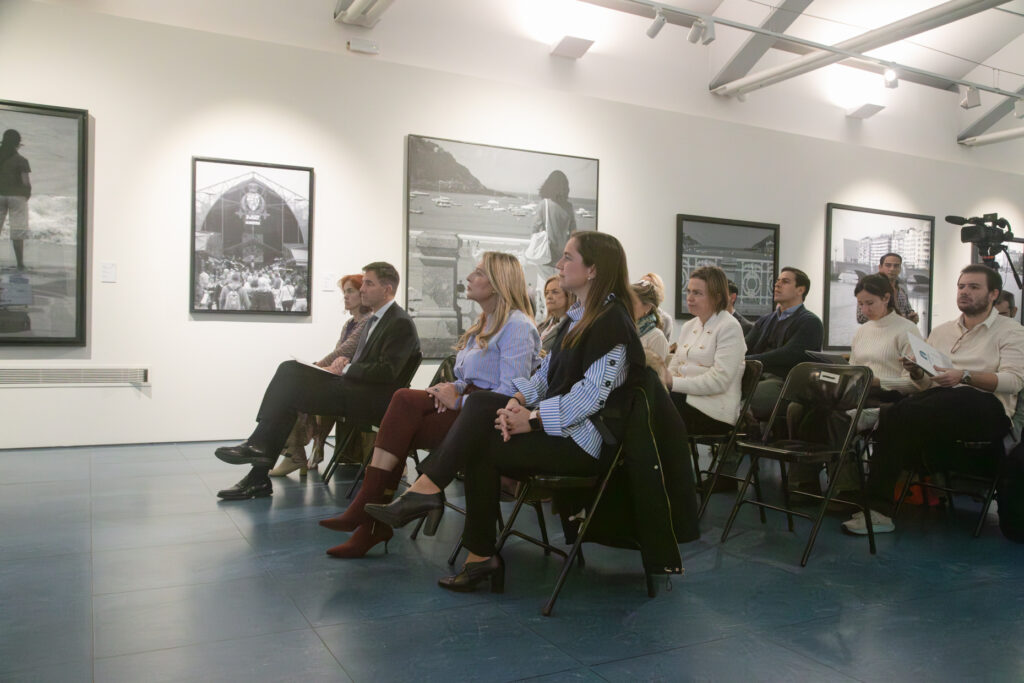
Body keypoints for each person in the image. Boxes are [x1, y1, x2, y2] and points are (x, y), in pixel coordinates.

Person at [365, 232, 645, 593]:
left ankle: (437, 503)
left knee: (480, 426)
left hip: (585, 443)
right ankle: (472, 547)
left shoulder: (613, 323)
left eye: (567, 257)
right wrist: (517, 399)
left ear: (592, 270)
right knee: (483, 422)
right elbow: (545, 376)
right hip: (560, 432)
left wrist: (532, 419)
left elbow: (589, 397)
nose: (559, 264)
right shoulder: (577, 319)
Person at [317, 252, 540, 557]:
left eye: (477, 273)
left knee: (401, 427)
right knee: (403, 398)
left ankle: (368, 518)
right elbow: (467, 377)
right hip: (466, 404)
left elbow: (510, 393)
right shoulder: (484, 323)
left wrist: (459, 400)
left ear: (497, 282)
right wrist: (447, 388)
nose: (468, 278)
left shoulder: (518, 326)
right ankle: (370, 514)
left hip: (484, 418)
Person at [213, 261, 420, 500]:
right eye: (363, 283)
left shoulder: (399, 322)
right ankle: (258, 471)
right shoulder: (377, 319)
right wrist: (345, 364)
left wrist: (348, 368)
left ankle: (258, 454)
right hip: (356, 391)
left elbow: (388, 372)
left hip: (371, 401)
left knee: (290, 380)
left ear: (387, 289)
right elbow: (371, 363)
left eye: (368, 284)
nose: (362, 289)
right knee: (289, 372)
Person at [847, 265, 1024, 535]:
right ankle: (877, 512)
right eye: (961, 286)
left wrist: (965, 375)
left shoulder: (1011, 331)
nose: (964, 292)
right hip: (942, 403)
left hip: (988, 408)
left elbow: (1013, 381)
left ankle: (880, 416)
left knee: (936, 401)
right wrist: (917, 371)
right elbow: (927, 384)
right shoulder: (942, 331)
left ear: (993, 294)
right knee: (902, 413)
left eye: (974, 287)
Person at [268, 273, 372, 477]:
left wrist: (316, 366)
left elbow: (345, 351)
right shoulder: (349, 324)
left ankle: (295, 453)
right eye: (344, 292)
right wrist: (321, 366)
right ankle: (296, 452)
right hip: (340, 378)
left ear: (362, 293)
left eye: (350, 291)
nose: (345, 296)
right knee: (296, 390)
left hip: (352, 386)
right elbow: (339, 354)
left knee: (299, 390)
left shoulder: (367, 322)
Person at [664, 266, 746, 437]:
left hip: (714, 410)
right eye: (689, 291)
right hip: (685, 400)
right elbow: (674, 367)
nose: (690, 298)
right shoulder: (689, 326)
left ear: (717, 297)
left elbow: (719, 381)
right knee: (647, 399)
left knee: (655, 408)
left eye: (698, 293)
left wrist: (673, 383)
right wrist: (664, 381)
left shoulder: (729, 326)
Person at [744, 267, 824, 418]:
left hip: (786, 384)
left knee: (739, 399)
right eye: (777, 281)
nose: (777, 285)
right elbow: (743, 347)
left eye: (785, 281)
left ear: (800, 290)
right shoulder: (765, 320)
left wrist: (746, 360)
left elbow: (788, 355)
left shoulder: (810, 322)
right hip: (756, 377)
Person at [531, 170, 577, 279]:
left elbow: (534, 229)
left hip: (545, 255)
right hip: (562, 257)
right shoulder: (569, 207)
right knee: (560, 287)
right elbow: (574, 234)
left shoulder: (544, 204)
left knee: (546, 287)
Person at [856, 253, 919, 325]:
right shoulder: (869, 289)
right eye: (888, 265)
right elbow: (861, 318)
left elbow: (908, 311)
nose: (892, 269)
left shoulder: (901, 291)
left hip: (901, 331)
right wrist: (897, 318)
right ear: (880, 267)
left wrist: (913, 317)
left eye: (896, 266)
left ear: (900, 269)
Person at [0, 129, 32, 271]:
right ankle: (20, 264)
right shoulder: (21, 160)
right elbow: (26, 183)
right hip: (17, 197)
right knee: (18, 230)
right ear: (17, 144)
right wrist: (27, 195)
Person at [536, 274, 575, 355]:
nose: (549, 296)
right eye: (546, 293)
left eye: (555, 292)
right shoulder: (541, 326)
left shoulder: (572, 328)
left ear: (568, 296)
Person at [632, 279, 670, 363]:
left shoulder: (656, 337)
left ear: (648, 307)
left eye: (633, 302)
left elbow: (658, 371)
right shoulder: (626, 331)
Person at [640, 272, 675, 341]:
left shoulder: (665, 319)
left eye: (648, 286)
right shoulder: (631, 314)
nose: (643, 290)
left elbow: (663, 345)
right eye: (641, 285)